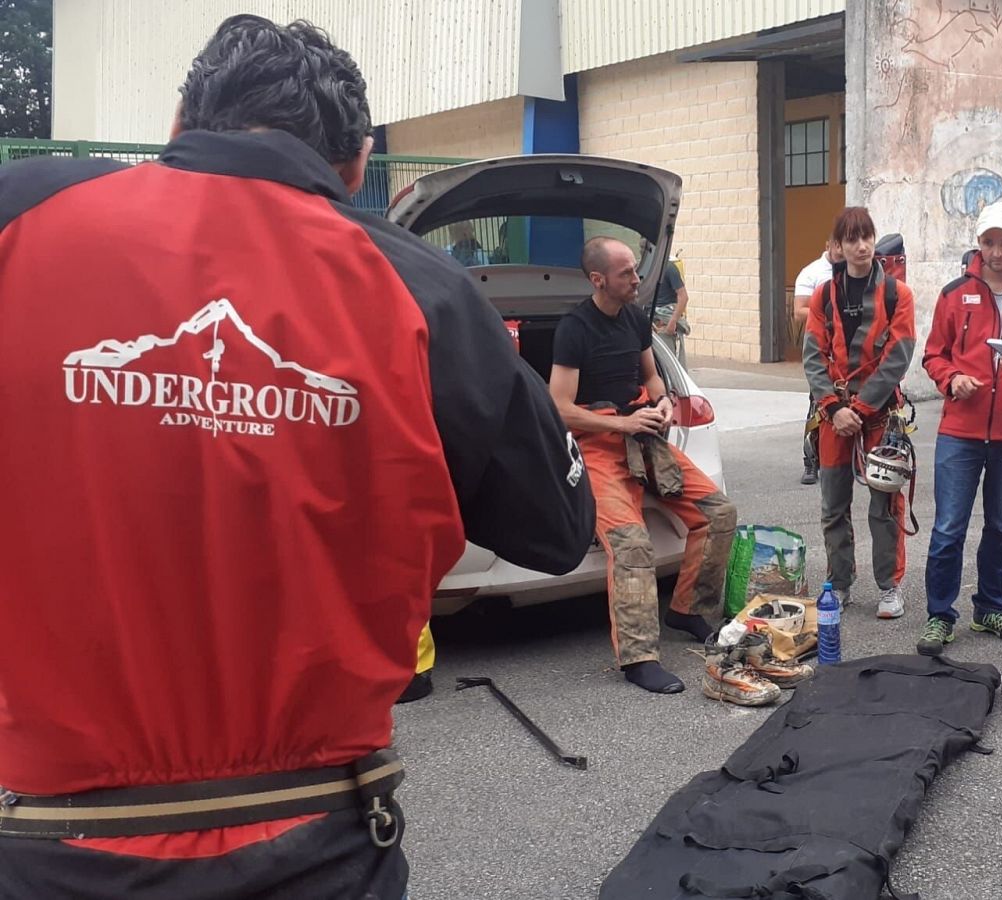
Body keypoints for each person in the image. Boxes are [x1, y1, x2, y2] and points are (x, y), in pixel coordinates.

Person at [0, 15, 595, 898]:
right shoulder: (425, 290)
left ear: (179, 125)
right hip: (315, 841)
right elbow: (559, 527)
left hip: (52, 841)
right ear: (356, 166)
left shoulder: (22, 217)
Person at [549, 237, 737, 695]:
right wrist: (623, 423)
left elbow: (651, 376)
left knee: (719, 514)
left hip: (645, 437)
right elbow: (560, 409)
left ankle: (688, 610)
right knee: (631, 543)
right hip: (599, 445)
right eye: (626, 273)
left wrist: (664, 401)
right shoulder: (574, 329)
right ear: (599, 280)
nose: (637, 279)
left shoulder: (634, 318)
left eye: (636, 269)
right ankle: (639, 659)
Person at [916, 202, 1002, 655]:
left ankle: (990, 608)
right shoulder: (955, 293)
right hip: (962, 430)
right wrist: (952, 378)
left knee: (1001, 526)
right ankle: (940, 616)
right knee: (948, 528)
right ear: (978, 243)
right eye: (989, 242)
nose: (996, 252)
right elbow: (934, 354)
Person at [801, 206, 916, 617]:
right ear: (838, 246)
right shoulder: (823, 295)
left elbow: (898, 355)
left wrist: (861, 408)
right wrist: (834, 408)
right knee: (833, 504)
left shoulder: (897, 294)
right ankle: (839, 583)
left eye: (867, 237)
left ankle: (889, 587)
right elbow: (813, 355)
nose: (862, 246)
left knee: (884, 503)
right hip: (834, 414)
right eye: (852, 239)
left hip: (879, 414)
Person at [794, 239, 844, 485]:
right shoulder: (812, 273)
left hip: (847, 348)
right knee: (818, 402)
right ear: (828, 245)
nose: (843, 251)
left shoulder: (855, 271)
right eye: (839, 246)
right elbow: (799, 311)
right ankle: (810, 462)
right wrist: (829, 314)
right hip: (822, 346)